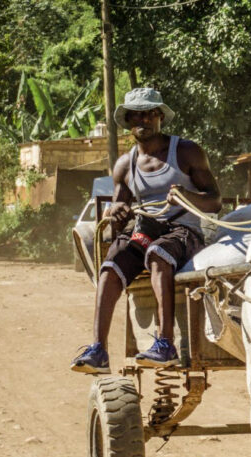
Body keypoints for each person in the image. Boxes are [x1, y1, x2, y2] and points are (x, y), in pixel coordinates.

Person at [71, 87, 221, 373]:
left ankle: (166, 344)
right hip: (145, 230)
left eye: (150, 114)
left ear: (160, 117)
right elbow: (118, 214)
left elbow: (214, 201)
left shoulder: (187, 151)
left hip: (184, 230)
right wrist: (114, 212)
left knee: (157, 253)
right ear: (127, 121)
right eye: (136, 115)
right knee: (111, 265)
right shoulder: (125, 165)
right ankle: (98, 350)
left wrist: (187, 197)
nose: (144, 120)